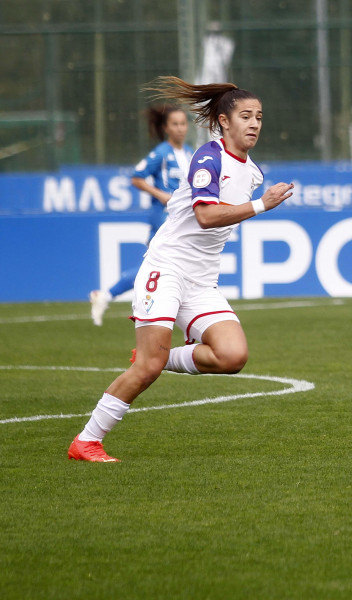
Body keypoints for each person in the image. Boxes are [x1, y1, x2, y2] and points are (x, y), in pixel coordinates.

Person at [68, 76, 294, 462]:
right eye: (246, 116)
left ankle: (157, 354)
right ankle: (86, 441)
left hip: (202, 281)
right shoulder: (208, 156)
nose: (255, 123)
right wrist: (261, 206)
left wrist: (257, 202)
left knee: (232, 356)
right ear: (224, 121)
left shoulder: (252, 173)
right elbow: (206, 217)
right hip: (166, 268)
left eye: (259, 116)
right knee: (147, 370)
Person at [90, 105, 193, 326]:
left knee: (158, 267)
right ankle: (144, 307)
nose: (180, 128)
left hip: (180, 218)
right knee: (163, 265)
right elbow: (137, 177)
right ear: (166, 128)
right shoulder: (161, 153)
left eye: (183, 123)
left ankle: (107, 297)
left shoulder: (189, 153)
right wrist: (160, 194)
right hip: (163, 216)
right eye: (175, 124)